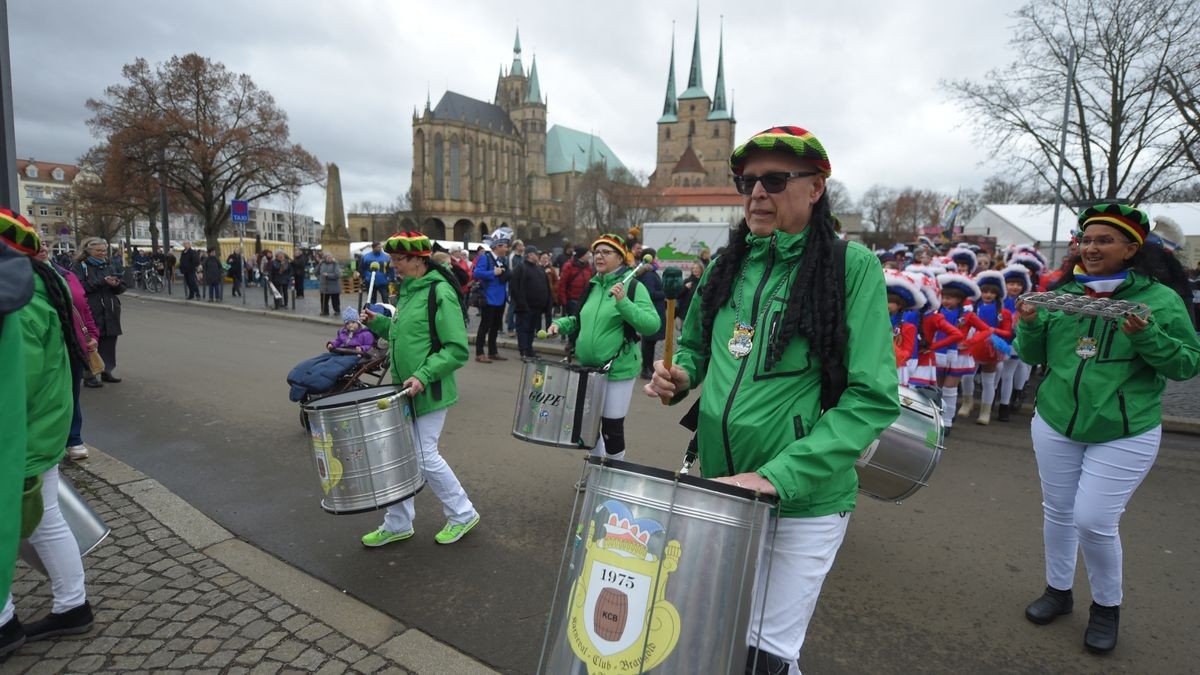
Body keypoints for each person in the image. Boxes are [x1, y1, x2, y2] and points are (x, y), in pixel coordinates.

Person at [644, 126, 899, 672]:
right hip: (720, 487)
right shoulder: (725, 265)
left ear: (815, 187)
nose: (757, 192)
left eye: (775, 179)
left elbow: (872, 398)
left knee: (762, 654)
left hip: (803, 501)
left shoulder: (850, 267)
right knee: (718, 633)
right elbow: (694, 349)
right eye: (747, 181)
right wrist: (680, 376)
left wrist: (776, 478)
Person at [1016, 203, 1200, 654]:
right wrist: (1030, 325)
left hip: (1124, 429)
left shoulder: (1160, 301)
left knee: (1094, 521)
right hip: (1056, 421)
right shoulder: (1064, 293)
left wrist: (1145, 335)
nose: (1091, 248)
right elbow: (1032, 354)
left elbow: (1186, 363)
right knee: (1057, 512)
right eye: (1086, 239)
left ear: (1131, 248)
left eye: (1104, 240)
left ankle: (1106, 608)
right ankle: (1058, 592)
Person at [0, 209, 94, 656]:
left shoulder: (19, 304)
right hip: (36, 428)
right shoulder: (35, 290)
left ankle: (14, 619)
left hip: (24, 434)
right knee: (42, 520)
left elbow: (16, 383)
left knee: (36, 520)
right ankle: (71, 605)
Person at [359, 232, 480, 547]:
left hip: (430, 387)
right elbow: (406, 335)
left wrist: (424, 375)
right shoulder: (408, 291)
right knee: (400, 456)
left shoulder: (439, 292)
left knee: (425, 457)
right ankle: (397, 522)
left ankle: (463, 513)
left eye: (400, 259)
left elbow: (456, 349)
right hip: (403, 388)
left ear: (419, 259)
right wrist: (377, 323)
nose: (394, 264)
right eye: (393, 259)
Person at [546, 233, 661, 483]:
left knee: (611, 427)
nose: (599, 256)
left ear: (620, 257)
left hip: (617, 369)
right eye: (596, 251)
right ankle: (595, 471)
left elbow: (652, 324)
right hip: (588, 369)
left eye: (606, 252)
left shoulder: (633, 285)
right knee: (587, 425)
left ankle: (615, 477)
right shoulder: (593, 285)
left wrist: (624, 303)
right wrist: (561, 324)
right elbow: (580, 319)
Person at [38, 243, 99, 458]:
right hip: (44, 348)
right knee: (46, 396)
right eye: (33, 242)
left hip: (72, 345)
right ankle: (50, 444)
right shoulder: (21, 277)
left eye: (43, 242)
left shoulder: (65, 274)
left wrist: (92, 335)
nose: (41, 246)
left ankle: (73, 439)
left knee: (71, 394)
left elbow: (83, 306)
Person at [933, 273, 990, 432]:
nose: (945, 301)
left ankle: (948, 421)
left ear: (959, 299)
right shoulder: (936, 313)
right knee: (937, 389)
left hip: (958, 356)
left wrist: (969, 342)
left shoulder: (967, 315)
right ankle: (936, 420)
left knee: (949, 389)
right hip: (938, 353)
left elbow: (986, 330)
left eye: (950, 298)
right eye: (944, 297)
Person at [71, 238, 126, 383]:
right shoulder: (79, 266)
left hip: (110, 309)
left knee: (109, 341)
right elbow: (78, 288)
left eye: (104, 250)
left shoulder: (109, 264)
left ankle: (106, 370)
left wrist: (116, 284)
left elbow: (121, 288)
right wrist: (102, 282)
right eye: (98, 251)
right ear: (88, 251)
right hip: (91, 309)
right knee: (91, 342)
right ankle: (89, 374)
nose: (102, 253)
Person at [965, 270, 1013, 424]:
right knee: (966, 375)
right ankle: (967, 401)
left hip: (992, 346)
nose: (988, 295)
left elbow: (1007, 332)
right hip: (973, 344)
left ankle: (985, 412)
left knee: (988, 380)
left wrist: (993, 330)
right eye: (984, 291)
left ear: (998, 294)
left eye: (992, 292)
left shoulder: (1003, 312)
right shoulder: (970, 310)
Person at [472, 228, 513, 363]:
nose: (507, 249)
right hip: (488, 298)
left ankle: (492, 351)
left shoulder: (504, 260)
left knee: (496, 326)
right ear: (498, 246)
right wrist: (492, 273)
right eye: (505, 246)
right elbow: (476, 273)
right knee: (484, 326)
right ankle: (479, 353)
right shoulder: (485, 258)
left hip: (500, 298)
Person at [509, 245, 552, 358]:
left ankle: (529, 349)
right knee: (523, 329)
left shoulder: (539, 269)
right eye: (535, 253)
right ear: (529, 255)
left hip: (537, 307)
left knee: (531, 330)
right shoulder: (521, 268)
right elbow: (514, 287)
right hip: (525, 307)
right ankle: (523, 350)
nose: (537, 256)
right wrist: (521, 303)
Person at [635, 248, 666, 380]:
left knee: (650, 342)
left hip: (655, 309)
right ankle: (645, 368)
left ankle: (648, 366)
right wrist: (665, 293)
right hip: (653, 309)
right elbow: (649, 293)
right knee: (648, 341)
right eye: (655, 257)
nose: (657, 259)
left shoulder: (649, 272)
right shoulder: (648, 275)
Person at [557, 245, 592, 319]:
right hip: (572, 300)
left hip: (585, 299)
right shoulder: (569, 266)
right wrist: (563, 302)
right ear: (582, 255)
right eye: (587, 254)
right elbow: (562, 284)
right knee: (573, 321)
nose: (589, 255)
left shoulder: (588, 266)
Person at [676, 260, 705, 325]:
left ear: (701, 269)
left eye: (697, 268)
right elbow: (678, 295)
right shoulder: (688, 281)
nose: (695, 270)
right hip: (686, 312)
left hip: (699, 312)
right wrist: (685, 288)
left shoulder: (704, 282)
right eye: (693, 268)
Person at [540, 252, 559, 330]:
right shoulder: (537, 267)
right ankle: (537, 329)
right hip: (539, 295)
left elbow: (556, 280)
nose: (544, 260)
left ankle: (548, 330)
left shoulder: (551, 269)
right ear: (540, 259)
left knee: (549, 314)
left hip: (549, 294)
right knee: (538, 314)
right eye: (543, 258)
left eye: (546, 258)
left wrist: (554, 289)